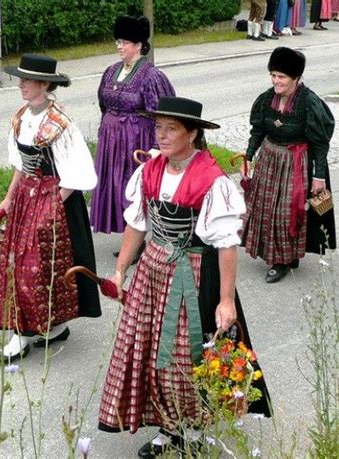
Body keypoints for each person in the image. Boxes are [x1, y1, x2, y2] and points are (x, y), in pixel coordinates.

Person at [98, 97, 271, 457]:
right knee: (146, 348)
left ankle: (192, 426)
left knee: (185, 355)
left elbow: (225, 246)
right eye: (158, 126)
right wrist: (119, 270)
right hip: (152, 270)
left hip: (194, 275)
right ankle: (167, 425)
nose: (160, 135)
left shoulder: (212, 180)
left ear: (192, 133)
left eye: (170, 128)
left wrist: (225, 300)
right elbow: (137, 224)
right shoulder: (150, 170)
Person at [0, 54, 101, 362]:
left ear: (45, 85)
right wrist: (10, 197)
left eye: (27, 80)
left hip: (56, 198)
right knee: (19, 264)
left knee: (42, 267)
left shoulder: (61, 123)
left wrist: (50, 208)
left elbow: (78, 174)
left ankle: (27, 335)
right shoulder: (22, 116)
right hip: (28, 198)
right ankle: (38, 329)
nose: (21, 85)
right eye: (21, 80)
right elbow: (19, 165)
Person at [242, 47, 336, 283]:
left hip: (295, 164)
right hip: (269, 159)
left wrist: (319, 176)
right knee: (266, 209)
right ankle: (280, 256)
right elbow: (258, 130)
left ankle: (283, 261)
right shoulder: (266, 99)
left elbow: (320, 144)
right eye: (273, 75)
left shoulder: (310, 103)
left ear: (296, 78)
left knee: (287, 213)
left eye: (281, 76)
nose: (276, 81)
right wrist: (249, 156)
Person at [90, 15, 175, 240]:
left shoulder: (151, 76)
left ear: (138, 45)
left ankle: (138, 238)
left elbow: (163, 113)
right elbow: (102, 103)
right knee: (114, 186)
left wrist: (157, 146)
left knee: (132, 187)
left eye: (124, 42)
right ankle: (128, 235)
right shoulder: (111, 71)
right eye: (118, 41)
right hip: (111, 141)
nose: (119, 46)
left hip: (135, 141)